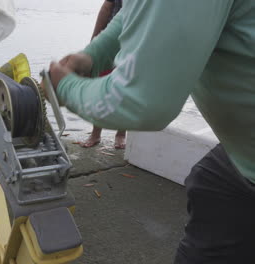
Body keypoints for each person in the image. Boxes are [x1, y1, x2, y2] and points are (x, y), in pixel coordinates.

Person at [49, 1, 255, 263]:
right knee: (208, 183)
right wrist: (93, 55)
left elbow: (140, 102)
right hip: (242, 152)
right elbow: (139, 11)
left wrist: (65, 87)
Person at [82, 0, 126, 149]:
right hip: (111, 41)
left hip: (134, 41)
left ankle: (121, 134)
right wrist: (94, 41)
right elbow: (107, 6)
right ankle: (95, 134)